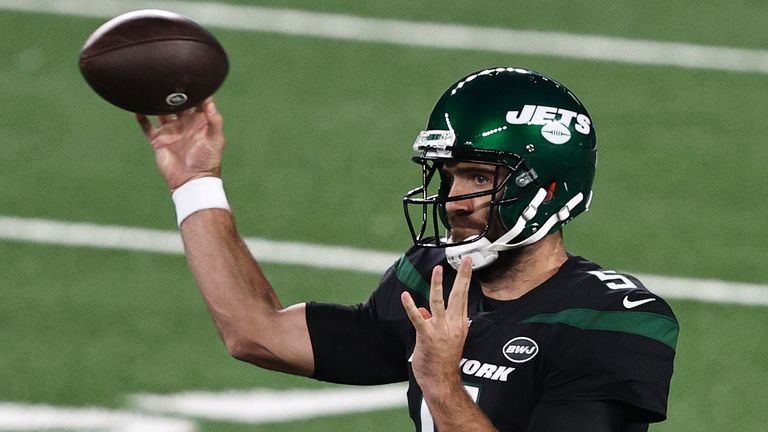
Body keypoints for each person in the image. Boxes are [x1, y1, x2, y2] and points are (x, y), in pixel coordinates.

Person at [136, 67, 678, 432]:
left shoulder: (614, 323)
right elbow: (256, 333)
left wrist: (442, 380)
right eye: (447, 176)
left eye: (477, 177)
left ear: (549, 187)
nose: (452, 201)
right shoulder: (432, 280)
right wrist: (195, 182)